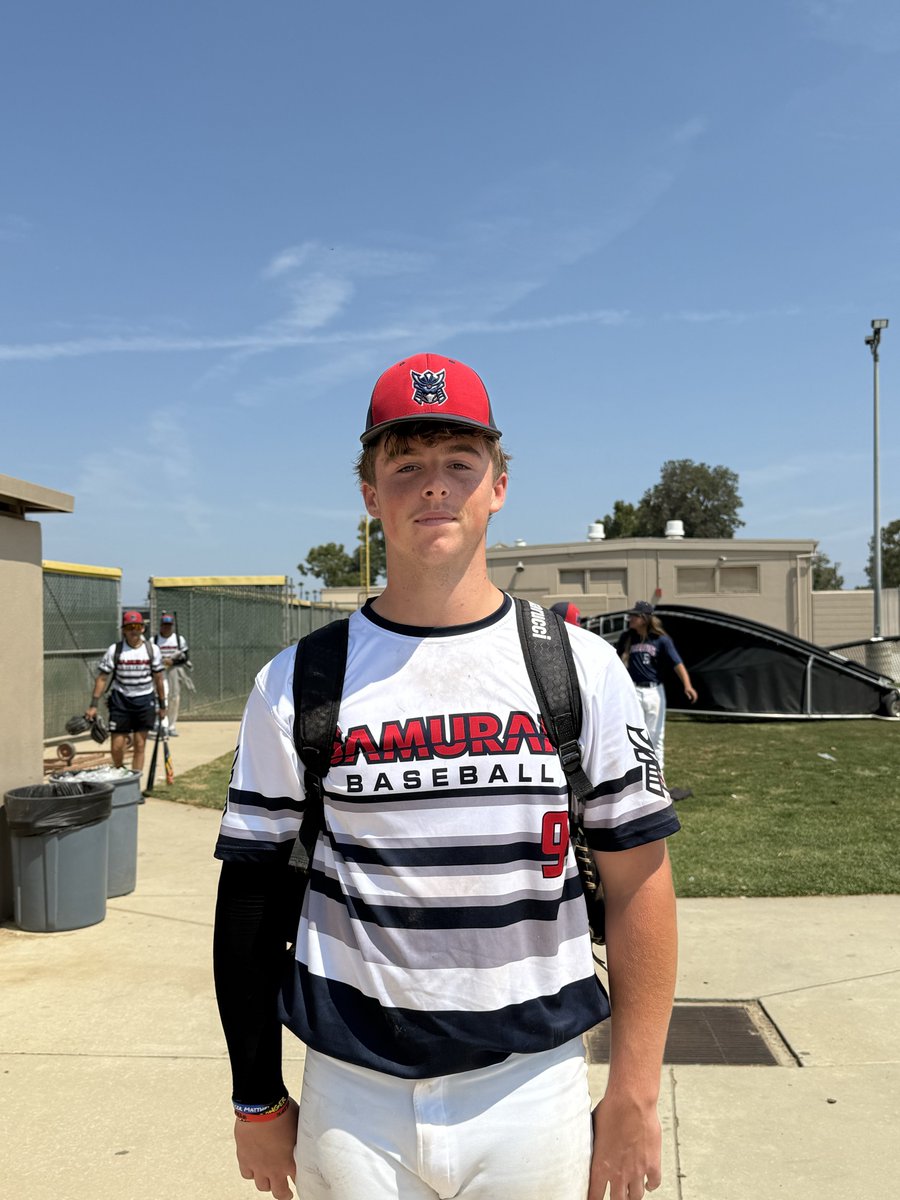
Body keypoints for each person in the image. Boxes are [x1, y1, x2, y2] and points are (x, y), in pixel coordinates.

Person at [213, 353, 680, 1200]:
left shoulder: (581, 670)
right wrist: (254, 1096)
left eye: (460, 464)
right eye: (406, 465)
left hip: (531, 1089)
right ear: (368, 493)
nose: (435, 486)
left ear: (498, 484)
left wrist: (635, 1092)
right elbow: (249, 898)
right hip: (352, 1099)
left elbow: (640, 880)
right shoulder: (298, 682)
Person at [616, 601, 697, 789]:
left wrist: (687, 685)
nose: (631, 618)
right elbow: (616, 661)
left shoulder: (661, 640)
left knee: (655, 736)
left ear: (644, 619)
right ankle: (636, 779)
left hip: (654, 691)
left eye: (635, 616)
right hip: (633, 690)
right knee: (633, 734)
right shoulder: (627, 638)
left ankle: (658, 780)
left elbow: (677, 663)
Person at [86, 610, 166, 772]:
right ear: (123, 630)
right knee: (117, 745)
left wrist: (162, 705)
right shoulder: (115, 651)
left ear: (143, 629)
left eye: (137, 626)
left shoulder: (152, 650)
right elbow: (102, 678)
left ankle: (134, 781)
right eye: (129, 627)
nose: (133, 631)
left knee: (140, 744)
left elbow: (158, 679)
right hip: (121, 700)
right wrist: (93, 705)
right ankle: (119, 772)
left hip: (144, 699)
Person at [152, 613, 190, 735]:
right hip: (160, 671)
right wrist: (161, 661)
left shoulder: (179, 639)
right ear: (161, 625)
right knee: (161, 696)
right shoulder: (154, 640)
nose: (167, 627)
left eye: (169, 625)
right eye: (164, 625)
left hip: (173, 670)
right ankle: (160, 723)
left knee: (174, 697)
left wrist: (172, 661)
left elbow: (185, 657)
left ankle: (171, 725)